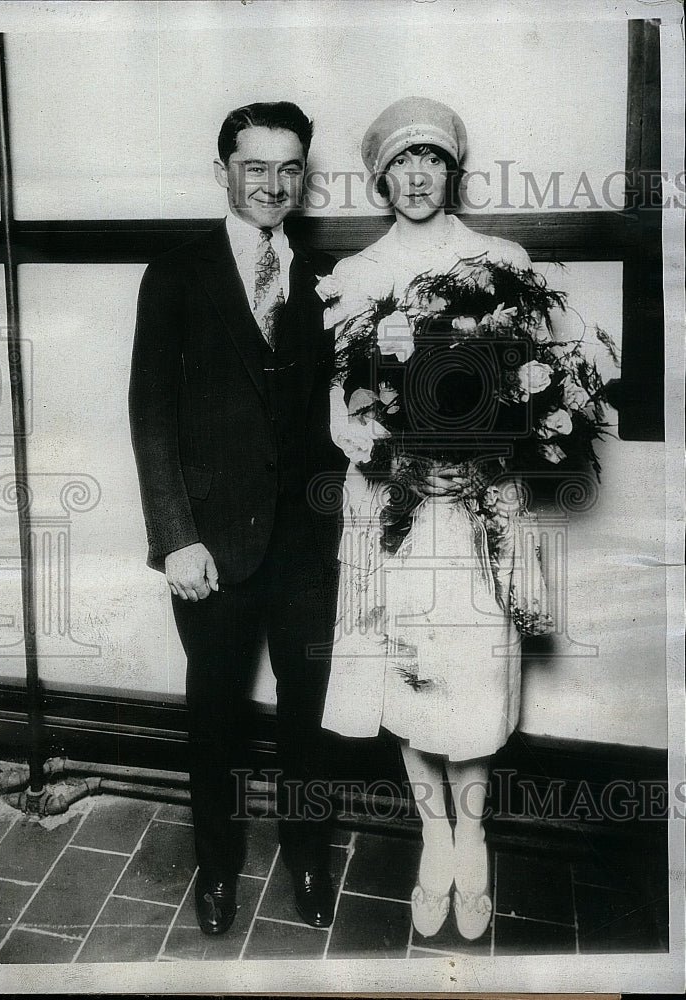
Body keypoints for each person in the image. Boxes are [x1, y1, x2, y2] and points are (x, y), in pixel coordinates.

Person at [321, 96, 536, 942]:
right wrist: (397, 456)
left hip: (475, 507)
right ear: (381, 176)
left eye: (433, 160)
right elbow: (342, 415)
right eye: (402, 162)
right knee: (406, 664)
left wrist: (477, 460)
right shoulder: (354, 278)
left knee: (473, 669)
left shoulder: (499, 262)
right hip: (397, 509)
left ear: (453, 169)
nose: (417, 176)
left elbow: (538, 391)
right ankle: (433, 833)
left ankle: (473, 832)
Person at [129, 102, 345, 936]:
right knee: (213, 714)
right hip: (210, 543)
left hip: (306, 542)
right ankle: (215, 869)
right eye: (255, 167)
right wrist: (173, 536)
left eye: (290, 167)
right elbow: (150, 414)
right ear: (222, 169)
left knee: (307, 711)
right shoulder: (176, 272)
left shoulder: (328, 276)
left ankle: (308, 856)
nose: (274, 184)